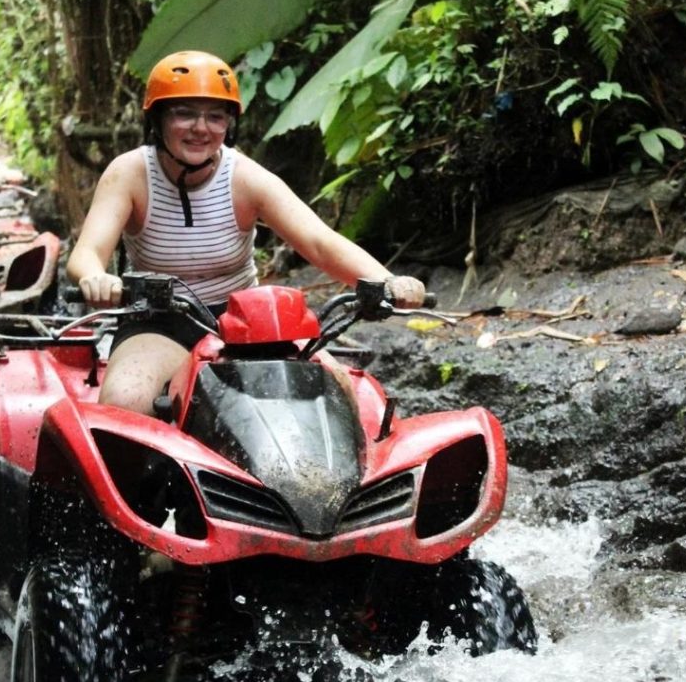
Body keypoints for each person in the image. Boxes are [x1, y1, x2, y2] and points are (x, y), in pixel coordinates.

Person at [66, 50, 426, 417]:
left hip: (247, 321)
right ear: (157, 118)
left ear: (229, 125)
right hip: (160, 321)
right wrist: (95, 277)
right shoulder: (129, 173)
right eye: (184, 112)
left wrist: (387, 280)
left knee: (340, 392)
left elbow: (319, 242)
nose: (200, 128)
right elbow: (87, 253)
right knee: (126, 400)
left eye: (215, 116)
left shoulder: (245, 177)